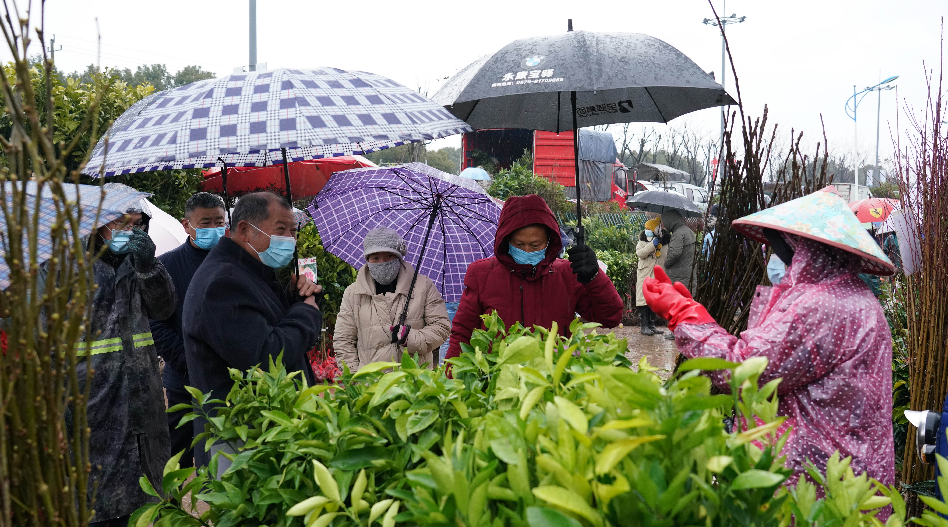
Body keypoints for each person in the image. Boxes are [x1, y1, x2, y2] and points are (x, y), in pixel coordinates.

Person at [643, 189, 896, 489]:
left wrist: (685, 317)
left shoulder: (819, 304)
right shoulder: (856, 297)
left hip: (816, 486)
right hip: (853, 472)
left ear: (802, 248)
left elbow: (745, 369)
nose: (778, 259)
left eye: (781, 250)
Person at [44, 191, 176, 526]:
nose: (129, 232)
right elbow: (43, 337)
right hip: (92, 410)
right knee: (98, 507)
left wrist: (148, 267)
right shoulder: (65, 267)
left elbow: (164, 308)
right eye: (121, 224)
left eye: (137, 226)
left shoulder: (142, 265)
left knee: (149, 503)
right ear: (99, 225)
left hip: (143, 410)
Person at [183, 192, 322, 468]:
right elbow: (267, 355)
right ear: (245, 229)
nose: (290, 240)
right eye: (280, 230)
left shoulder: (250, 272)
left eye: (293, 231)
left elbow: (269, 322)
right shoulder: (223, 283)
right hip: (238, 439)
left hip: (264, 430)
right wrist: (308, 312)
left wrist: (297, 297)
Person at [445, 195, 623, 359]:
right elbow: (463, 334)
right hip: (496, 382)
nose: (527, 251)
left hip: (553, 381)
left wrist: (594, 277)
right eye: (519, 244)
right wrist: (451, 384)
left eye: (535, 245)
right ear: (506, 240)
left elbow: (610, 317)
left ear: (549, 241)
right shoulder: (482, 274)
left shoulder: (567, 274)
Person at [150, 192, 226, 469]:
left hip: (226, 379)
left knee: (222, 453)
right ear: (187, 225)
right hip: (183, 379)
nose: (213, 229)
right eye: (204, 223)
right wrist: (189, 361)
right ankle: (171, 508)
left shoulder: (237, 262)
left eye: (218, 221)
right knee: (176, 454)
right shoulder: (167, 266)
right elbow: (156, 323)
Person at [334, 227, 451, 372]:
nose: (382, 262)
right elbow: (343, 340)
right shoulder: (353, 293)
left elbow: (441, 327)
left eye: (389, 256)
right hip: (371, 386)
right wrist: (355, 378)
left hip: (415, 383)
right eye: (375, 258)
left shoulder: (423, 286)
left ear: (399, 256)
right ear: (368, 259)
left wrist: (412, 338)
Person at [660, 208, 697, 340]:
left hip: (678, 276)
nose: (665, 225)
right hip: (688, 273)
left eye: (665, 222)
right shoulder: (688, 231)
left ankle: (677, 332)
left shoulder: (678, 233)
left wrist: (667, 264)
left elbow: (674, 254)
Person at [635, 217, 670, 335]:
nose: (646, 230)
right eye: (646, 228)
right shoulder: (643, 239)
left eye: (649, 228)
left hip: (658, 273)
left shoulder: (665, 239)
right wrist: (652, 245)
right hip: (645, 273)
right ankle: (644, 326)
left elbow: (667, 255)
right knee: (644, 299)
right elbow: (640, 253)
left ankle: (652, 324)